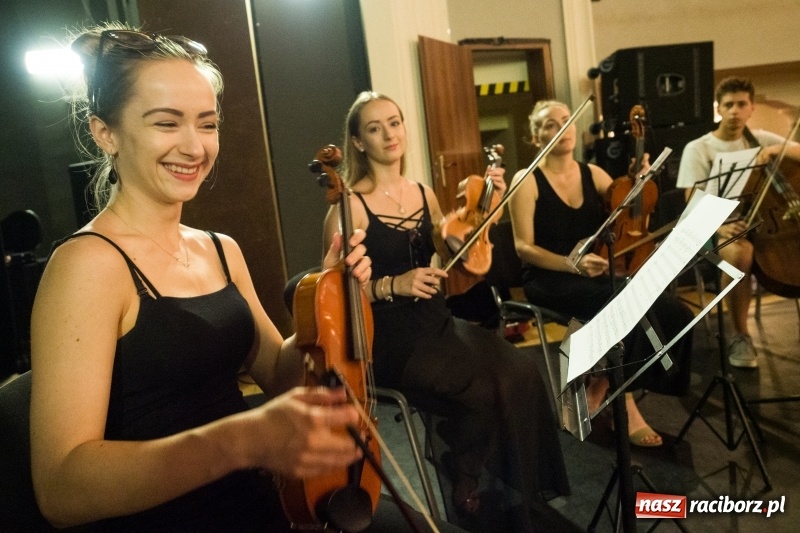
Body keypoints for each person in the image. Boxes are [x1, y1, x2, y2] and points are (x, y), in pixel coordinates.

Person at [29, 23, 461, 533]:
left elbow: (278, 376)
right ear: (107, 134)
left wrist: (330, 297)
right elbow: (61, 488)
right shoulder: (87, 264)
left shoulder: (220, 249)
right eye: (167, 124)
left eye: (207, 124)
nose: (194, 147)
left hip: (260, 497)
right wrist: (242, 440)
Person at [323, 91, 573, 533]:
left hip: (436, 321)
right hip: (389, 336)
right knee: (480, 389)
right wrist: (392, 284)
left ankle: (511, 490)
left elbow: (451, 251)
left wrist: (480, 220)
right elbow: (336, 292)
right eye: (375, 128)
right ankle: (467, 473)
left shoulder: (422, 193)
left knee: (521, 371)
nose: (389, 134)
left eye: (395, 122)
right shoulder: (347, 206)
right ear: (359, 142)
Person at [508, 100, 695, 448]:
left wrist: (637, 184)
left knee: (675, 311)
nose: (561, 128)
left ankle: (607, 378)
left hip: (595, 273)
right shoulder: (526, 179)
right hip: (550, 277)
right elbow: (523, 247)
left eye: (566, 121)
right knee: (624, 303)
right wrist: (571, 263)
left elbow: (629, 217)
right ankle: (617, 396)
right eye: (550, 124)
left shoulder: (593, 174)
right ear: (536, 137)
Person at [677, 76, 800, 369]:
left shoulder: (761, 139)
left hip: (765, 221)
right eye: (728, 105)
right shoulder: (699, 148)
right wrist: (719, 227)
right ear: (718, 108)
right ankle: (740, 334)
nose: (734, 111)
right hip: (717, 226)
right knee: (740, 252)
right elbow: (692, 203)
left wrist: (772, 152)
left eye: (741, 104)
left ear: (751, 108)